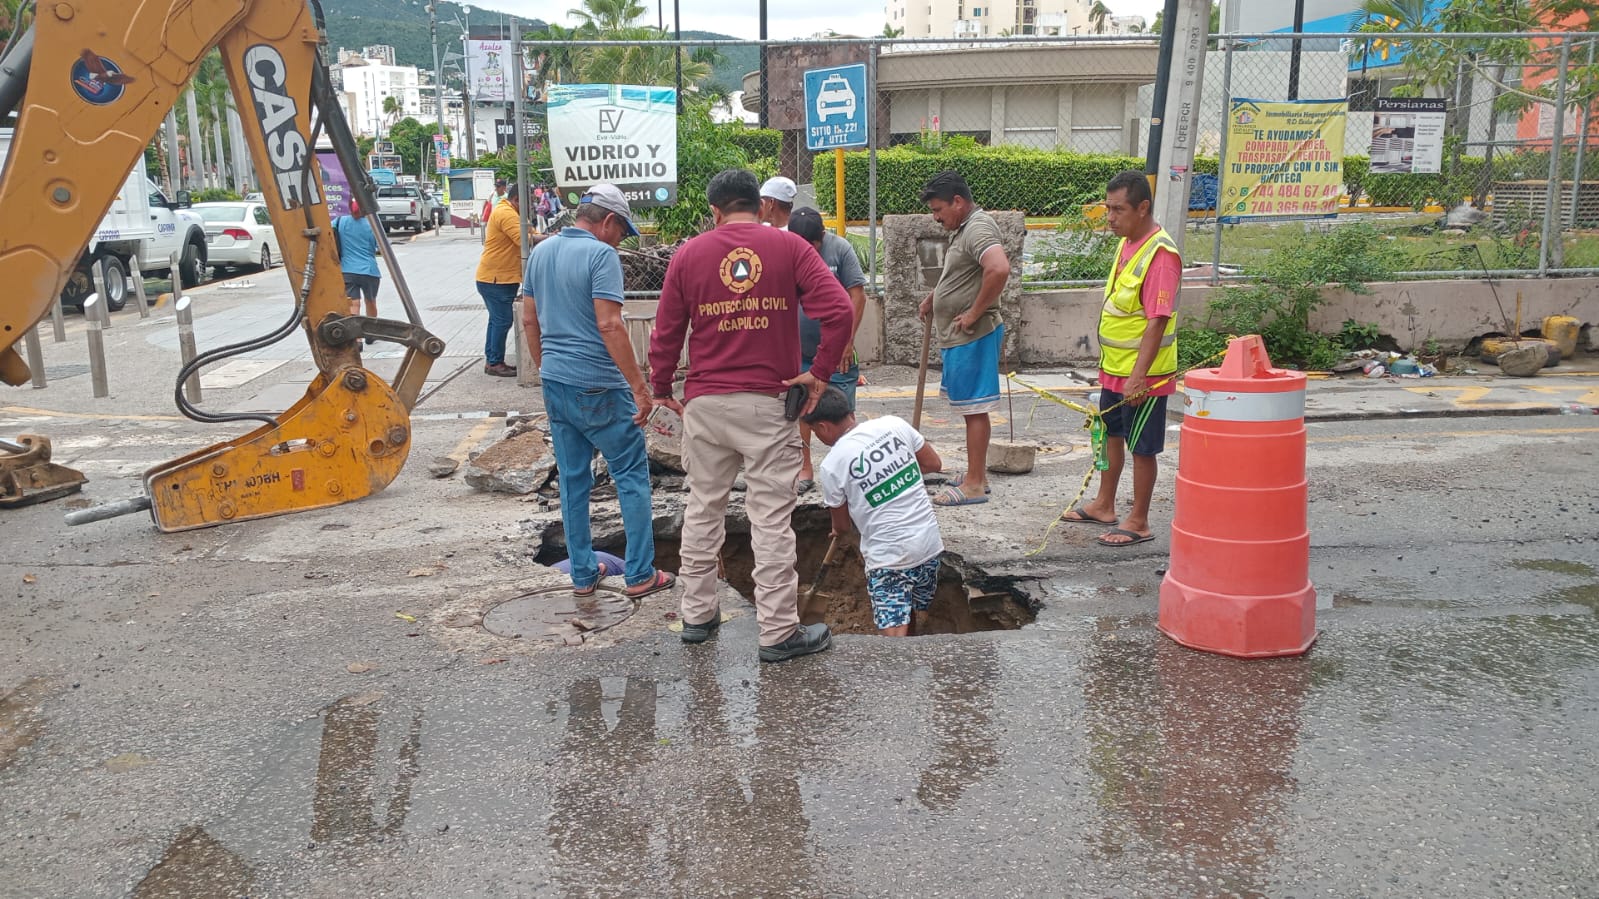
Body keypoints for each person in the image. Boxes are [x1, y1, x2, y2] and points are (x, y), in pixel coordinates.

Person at [649, 169, 855, 663]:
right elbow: (840, 311)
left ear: (715, 211)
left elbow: (665, 332)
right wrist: (819, 373)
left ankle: (697, 616)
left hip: (704, 405)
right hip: (768, 404)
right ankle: (778, 632)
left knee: (703, 509)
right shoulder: (789, 249)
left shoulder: (689, 254)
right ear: (760, 207)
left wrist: (660, 389)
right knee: (769, 520)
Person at [522, 183, 675, 597]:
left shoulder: (540, 252)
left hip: (556, 381)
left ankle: (584, 574)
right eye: (621, 231)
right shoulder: (600, 254)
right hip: (600, 385)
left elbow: (530, 322)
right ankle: (641, 573)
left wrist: (546, 367)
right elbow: (610, 325)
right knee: (630, 475)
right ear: (607, 221)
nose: (620, 240)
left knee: (573, 480)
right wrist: (640, 389)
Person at [1059, 170, 1180, 547]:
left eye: (1118, 209)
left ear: (1142, 208)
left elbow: (1157, 322)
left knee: (1142, 446)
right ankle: (1104, 504)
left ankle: (1139, 520)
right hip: (1115, 370)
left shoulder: (1160, 256)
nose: (1110, 217)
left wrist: (1140, 375)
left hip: (1143, 376)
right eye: (1107, 208)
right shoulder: (1128, 243)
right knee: (1110, 435)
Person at [806, 386, 945, 637]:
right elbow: (933, 463)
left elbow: (843, 526)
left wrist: (837, 530)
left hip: (889, 559)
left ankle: (896, 673)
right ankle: (910, 661)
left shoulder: (832, 464)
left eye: (815, 431)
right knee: (910, 609)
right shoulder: (894, 424)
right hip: (929, 548)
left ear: (823, 427)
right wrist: (893, 472)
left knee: (892, 639)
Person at [917, 170, 1010, 507]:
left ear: (958, 201)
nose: (936, 217)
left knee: (975, 409)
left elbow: (998, 269)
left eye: (939, 209)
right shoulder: (964, 229)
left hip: (973, 333)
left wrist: (972, 313)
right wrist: (935, 297)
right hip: (959, 337)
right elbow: (961, 274)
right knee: (969, 408)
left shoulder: (980, 227)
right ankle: (977, 474)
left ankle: (973, 485)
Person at [787, 207, 867, 493]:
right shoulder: (785, 251)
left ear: (822, 235)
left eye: (812, 245)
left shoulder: (840, 249)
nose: (806, 251)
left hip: (837, 353)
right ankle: (805, 468)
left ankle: (849, 473)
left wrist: (846, 342)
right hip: (799, 351)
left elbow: (858, 296)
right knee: (800, 409)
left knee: (840, 412)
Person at [475, 184, 525, 377]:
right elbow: (524, 240)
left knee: (496, 320)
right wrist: (550, 238)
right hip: (496, 279)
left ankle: (493, 360)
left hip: (497, 277)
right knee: (502, 320)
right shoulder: (507, 213)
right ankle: (495, 362)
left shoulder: (512, 211)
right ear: (517, 199)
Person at [334, 199, 380, 345]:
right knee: (370, 301)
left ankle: (357, 339)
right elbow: (378, 246)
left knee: (353, 304)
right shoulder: (372, 224)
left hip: (347, 270)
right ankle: (371, 333)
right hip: (370, 270)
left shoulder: (339, 221)